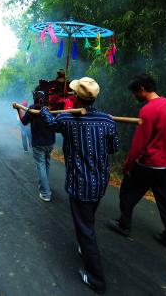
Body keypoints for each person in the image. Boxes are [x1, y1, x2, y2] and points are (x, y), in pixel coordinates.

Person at [40, 77, 119, 294]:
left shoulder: (67, 120)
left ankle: (96, 279)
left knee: (85, 229)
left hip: (80, 184)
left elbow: (48, 120)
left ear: (75, 97)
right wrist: (107, 123)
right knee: (88, 220)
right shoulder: (108, 121)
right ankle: (85, 246)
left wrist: (46, 109)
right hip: (100, 183)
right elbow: (113, 148)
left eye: (73, 94)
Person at [107, 73, 166, 253]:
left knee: (127, 192)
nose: (135, 97)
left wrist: (128, 165)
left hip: (149, 164)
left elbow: (139, 144)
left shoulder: (147, 110)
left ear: (142, 89)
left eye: (135, 93)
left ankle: (124, 225)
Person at [15, 90, 55, 202]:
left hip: (38, 143)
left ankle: (46, 193)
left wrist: (19, 109)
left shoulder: (32, 108)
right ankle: (44, 186)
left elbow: (23, 122)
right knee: (46, 164)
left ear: (35, 98)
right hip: (50, 143)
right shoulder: (49, 108)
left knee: (41, 166)